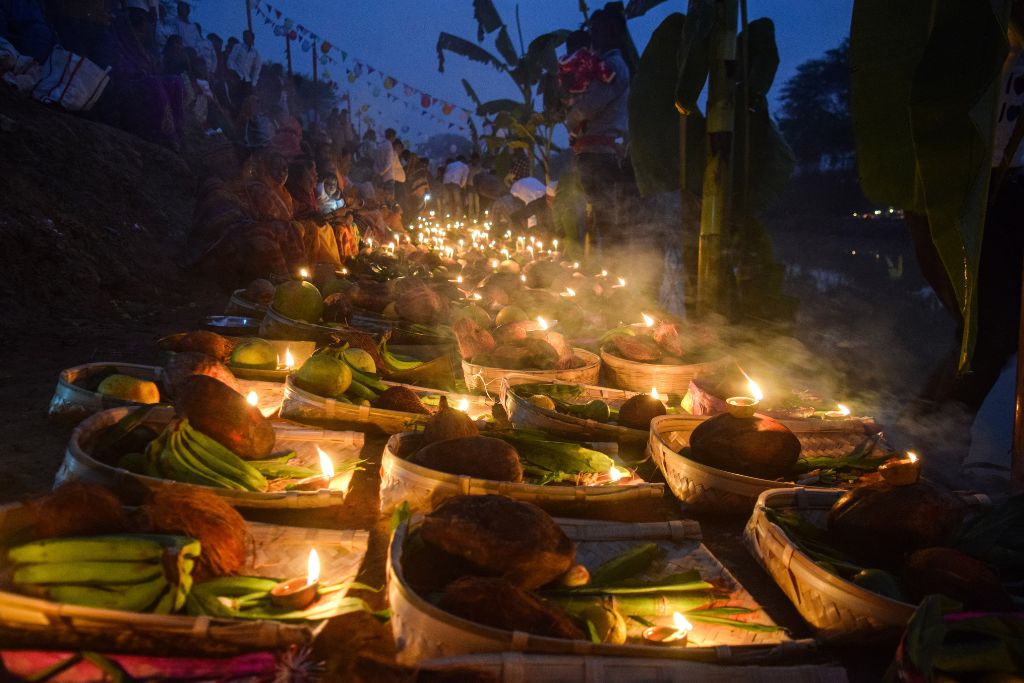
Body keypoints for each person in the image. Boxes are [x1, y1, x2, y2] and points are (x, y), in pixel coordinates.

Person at [566, 7, 631, 249]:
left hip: (601, 153)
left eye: (597, 31)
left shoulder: (612, 66)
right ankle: (605, 272)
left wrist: (570, 117)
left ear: (613, 33)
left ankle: (615, 276)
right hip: (592, 151)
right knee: (599, 215)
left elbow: (589, 106)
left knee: (606, 217)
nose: (593, 38)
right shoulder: (599, 65)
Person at [558, 29, 616, 145]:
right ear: (588, 45)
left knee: (579, 120)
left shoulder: (561, 64)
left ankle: (574, 134)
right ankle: (577, 134)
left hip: (569, 100)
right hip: (584, 95)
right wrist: (610, 76)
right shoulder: (586, 57)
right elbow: (605, 74)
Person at [227, 29, 260, 104]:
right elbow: (231, 60)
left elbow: (256, 69)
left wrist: (253, 83)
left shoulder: (255, 53)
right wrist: (233, 71)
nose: (248, 39)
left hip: (247, 80)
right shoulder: (238, 47)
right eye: (246, 37)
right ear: (244, 38)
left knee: (247, 101)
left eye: (250, 37)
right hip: (236, 77)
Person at [374, 127, 399, 198]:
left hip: (378, 178)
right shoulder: (389, 146)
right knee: (389, 200)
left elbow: (375, 162)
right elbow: (388, 163)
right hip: (388, 178)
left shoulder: (379, 145)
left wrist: (377, 173)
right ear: (392, 137)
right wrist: (381, 173)